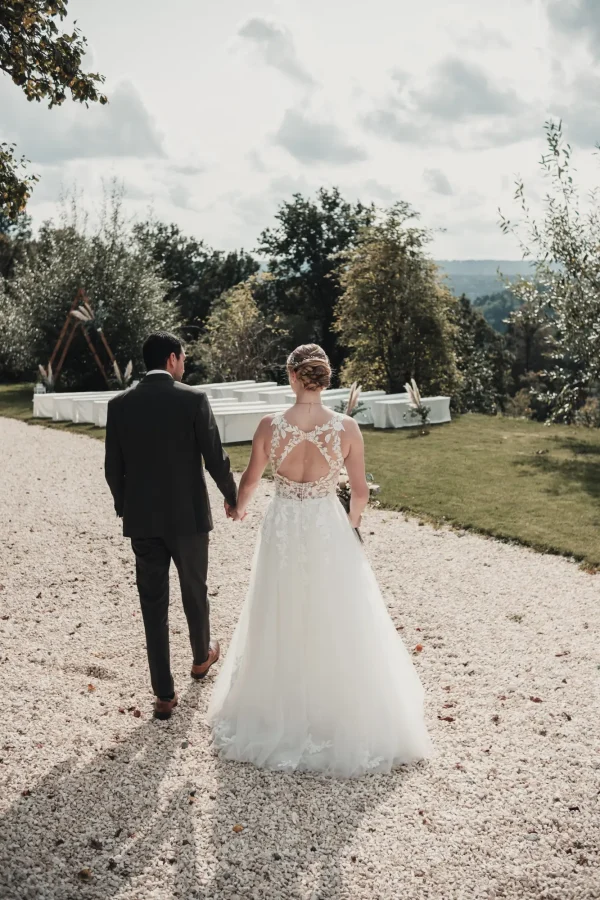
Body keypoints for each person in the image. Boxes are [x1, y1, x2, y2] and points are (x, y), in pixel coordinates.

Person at [208, 344, 435, 777]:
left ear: (293, 377)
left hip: (283, 527)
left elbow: (252, 480)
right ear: (324, 378)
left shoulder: (270, 426)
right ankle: (337, 713)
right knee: (336, 612)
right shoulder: (345, 426)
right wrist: (349, 527)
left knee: (280, 608)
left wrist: (238, 507)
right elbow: (361, 491)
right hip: (327, 525)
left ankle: (276, 710)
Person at [104, 332, 237, 720]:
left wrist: (125, 507)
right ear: (173, 358)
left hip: (142, 520)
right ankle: (200, 658)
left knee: (152, 605)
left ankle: (164, 694)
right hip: (189, 519)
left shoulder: (120, 404)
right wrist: (231, 496)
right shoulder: (192, 399)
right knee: (195, 590)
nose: (184, 364)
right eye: (183, 358)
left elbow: (114, 468)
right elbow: (214, 456)